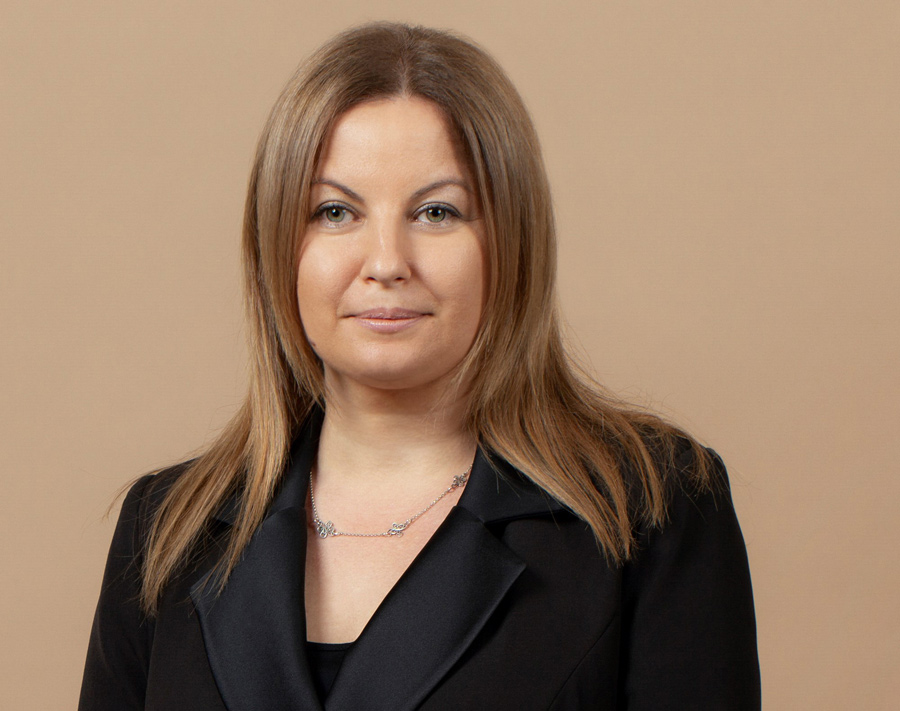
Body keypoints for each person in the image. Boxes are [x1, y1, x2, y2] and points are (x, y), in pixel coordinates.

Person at [79, 21, 760, 711]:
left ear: (512, 239)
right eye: (335, 211)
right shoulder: (167, 529)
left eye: (436, 212)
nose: (386, 263)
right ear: (276, 244)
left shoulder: (650, 508)